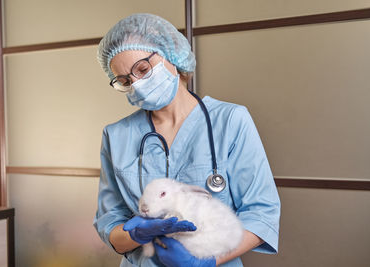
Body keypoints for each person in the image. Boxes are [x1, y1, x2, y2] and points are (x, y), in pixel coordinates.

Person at [93, 13, 280, 267]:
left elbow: (262, 215)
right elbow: (110, 225)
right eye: (125, 81)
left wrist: (203, 262)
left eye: (143, 69)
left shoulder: (231, 121)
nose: (136, 85)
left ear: (171, 55)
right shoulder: (116, 136)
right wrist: (134, 234)